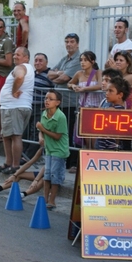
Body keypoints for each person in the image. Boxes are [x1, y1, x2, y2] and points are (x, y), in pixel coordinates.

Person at [0, 47, 34, 175]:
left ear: (26, 57)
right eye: (15, 54)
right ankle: (8, 162)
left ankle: (15, 165)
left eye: (18, 54)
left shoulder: (20, 67)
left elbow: (19, 77)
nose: (15, 56)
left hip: (14, 107)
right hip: (13, 107)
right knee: (7, 135)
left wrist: (12, 91)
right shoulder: (29, 68)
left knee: (15, 135)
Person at [47, 33, 81, 173]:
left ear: (77, 44)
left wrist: (59, 75)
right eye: (66, 41)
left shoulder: (78, 59)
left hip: (71, 102)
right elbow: (49, 74)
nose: (68, 44)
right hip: (61, 103)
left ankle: (72, 162)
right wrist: (59, 73)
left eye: (71, 41)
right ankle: (63, 160)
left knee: (70, 133)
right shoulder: (65, 59)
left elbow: (65, 78)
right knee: (60, 132)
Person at [36, 90, 69, 209]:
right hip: (49, 149)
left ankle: (52, 200)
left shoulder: (60, 117)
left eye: (50, 99)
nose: (47, 101)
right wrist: (41, 136)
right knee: (47, 174)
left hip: (59, 150)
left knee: (55, 175)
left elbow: (57, 136)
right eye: (46, 98)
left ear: (58, 102)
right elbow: (41, 130)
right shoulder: (44, 113)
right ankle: (44, 198)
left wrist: (43, 130)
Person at [22, 53, 54, 164]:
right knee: (25, 131)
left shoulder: (50, 75)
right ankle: (23, 154)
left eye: (40, 60)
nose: (38, 63)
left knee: (36, 132)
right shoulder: (31, 74)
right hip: (28, 106)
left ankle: (29, 157)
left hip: (41, 108)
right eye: (36, 60)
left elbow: (53, 92)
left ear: (46, 62)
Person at [67, 51, 103, 149]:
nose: (82, 62)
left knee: (95, 138)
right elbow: (69, 83)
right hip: (84, 109)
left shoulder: (98, 72)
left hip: (96, 109)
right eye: (81, 60)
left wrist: (83, 89)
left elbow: (100, 85)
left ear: (92, 61)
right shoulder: (79, 73)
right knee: (86, 138)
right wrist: (73, 86)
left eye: (86, 60)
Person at [96, 77, 130, 150]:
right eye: (107, 90)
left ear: (120, 95)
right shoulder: (107, 109)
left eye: (110, 91)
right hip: (101, 149)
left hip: (111, 151)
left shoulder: (121, 113)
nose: (107, 93)